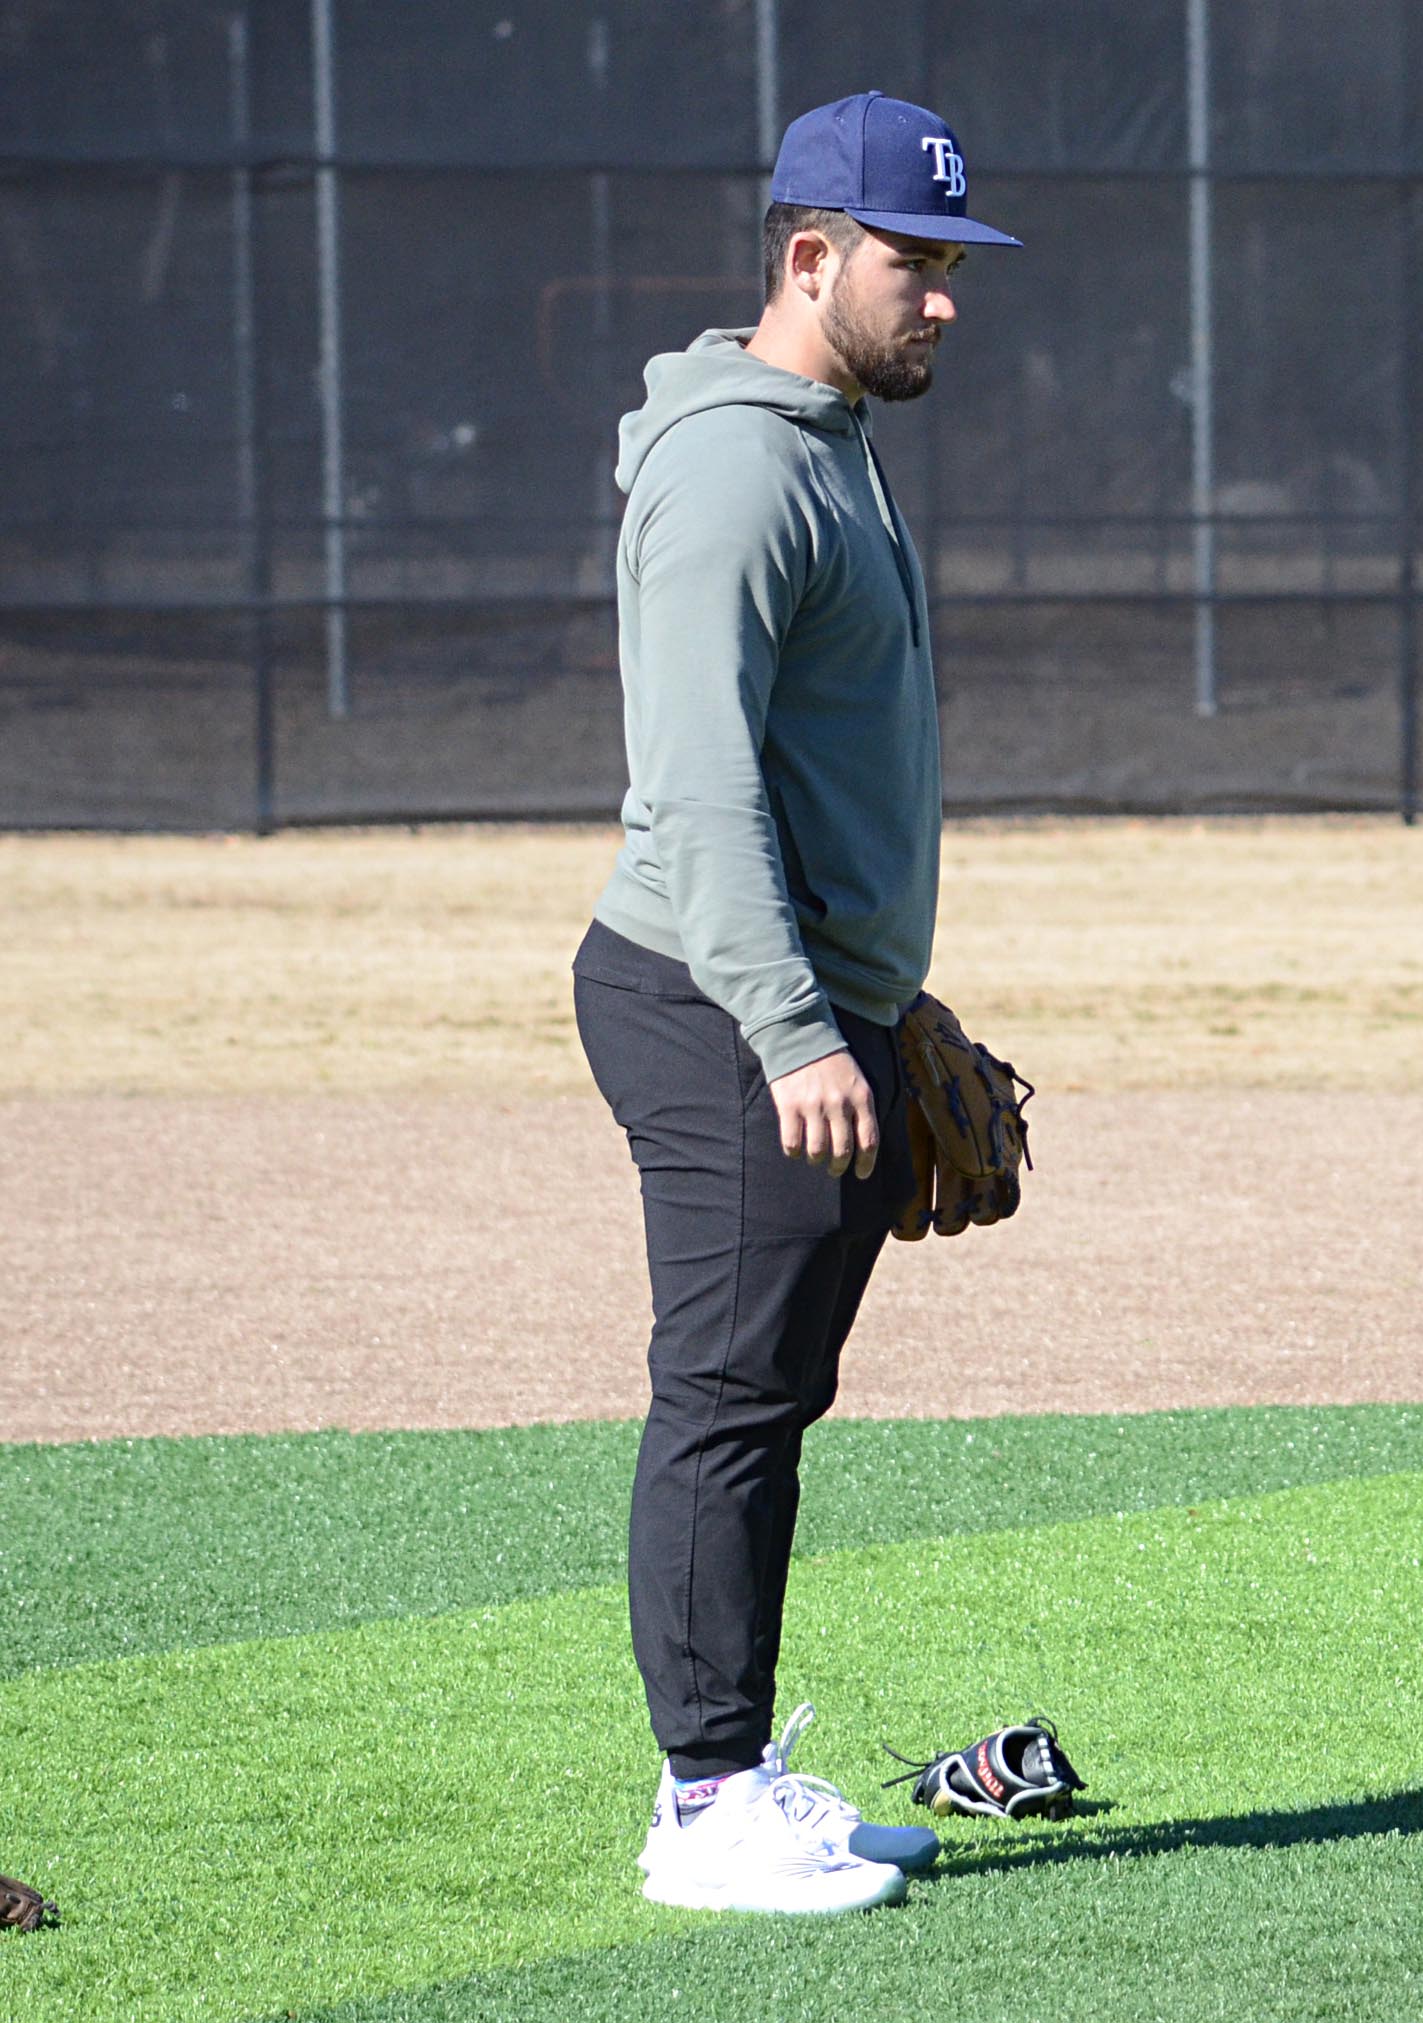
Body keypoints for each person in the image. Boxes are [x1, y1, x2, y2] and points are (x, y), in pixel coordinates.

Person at [572, 90, 1019, 1915]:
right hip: (709, 994)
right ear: (809, 255)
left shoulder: (826, 434)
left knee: (775, 1384)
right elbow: (696, 785)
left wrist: (872, 993)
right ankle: (703, 1801)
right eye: (914, 264)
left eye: (949, 266)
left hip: (797, 994)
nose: (943, 299)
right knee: (732, 1393)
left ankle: (743, 1766)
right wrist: (787, 1023)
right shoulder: (742, 468)